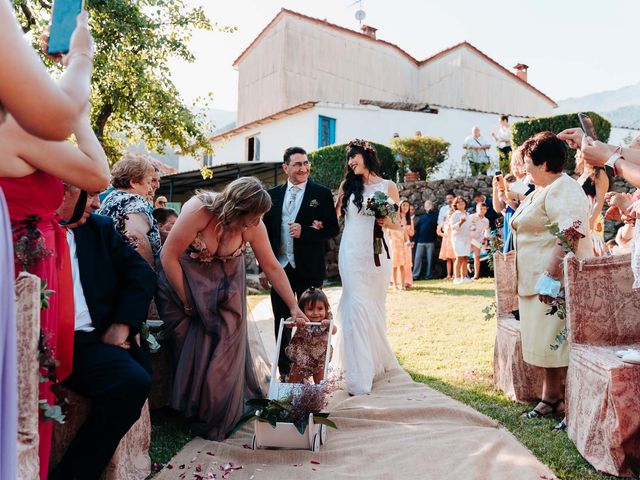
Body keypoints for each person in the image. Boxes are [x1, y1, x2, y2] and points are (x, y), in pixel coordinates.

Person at [0, 10, 97, 479]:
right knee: (22, 387)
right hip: (21, 268)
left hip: (26, 260)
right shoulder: (14, 129)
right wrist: (79, 54)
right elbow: (94, 168)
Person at [157, 177, 309, 440]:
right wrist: (188, 301)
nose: (255, 223)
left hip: (227, 289)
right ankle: (189, 410)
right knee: (189, 346)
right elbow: (167, 256)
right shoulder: (198, 210)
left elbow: (272, 266)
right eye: (251, 216)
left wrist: (294, 306)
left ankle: (217, 413)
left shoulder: (254, 226)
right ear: (235, 208)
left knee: (227, 348)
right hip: (182, 284)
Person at [49, 185, 155, 480]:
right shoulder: (27, 228)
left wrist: (122, 325)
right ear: (64, 190)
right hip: (40, 340)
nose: (98, 204)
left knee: (134, 379)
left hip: (86, 340)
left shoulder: (99, 228)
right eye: (91, 195)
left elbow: (141, 274)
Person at [510, 132, 591, 420]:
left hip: (553, 280)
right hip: (534, 280)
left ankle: (569, 404)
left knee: (559, 343)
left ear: (544, 163)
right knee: (547, 345)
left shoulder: (563, 188)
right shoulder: (542, 189)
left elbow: (571, 229)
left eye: (528, 162)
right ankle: (551, 398)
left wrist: (550, 274)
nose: (525, 168)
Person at [260, 147, 339, 379]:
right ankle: (285, 371)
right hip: (279, 267)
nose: (303, 168)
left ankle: (311, 369)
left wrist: (305, 232)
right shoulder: (271, 195)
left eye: (305, 163)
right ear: (286, 167)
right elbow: (263, 232)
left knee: (313, 320)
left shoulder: (321, 194)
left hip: (309, 267)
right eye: (297, 164)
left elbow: (332, 229)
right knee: (282, 320)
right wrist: (264, 268)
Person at [334, 139, 401, 395]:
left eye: (354, 156)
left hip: (377, 256)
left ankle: (373, 363)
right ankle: (358, 377)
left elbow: (397, 224)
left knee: (374, 308)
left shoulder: (388, 186)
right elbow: (335, 218)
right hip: (351, 253)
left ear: (366, 156)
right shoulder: (347, 187)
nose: (351, 162)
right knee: (355, 309)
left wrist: (385, 218)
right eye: (348, 159)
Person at [98, 153, 161, 266]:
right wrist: (149, 271)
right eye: (148, 182)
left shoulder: (111, 198)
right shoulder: (134, 200)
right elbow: (135, 236)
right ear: (133, 182)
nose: (150, 189)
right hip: (129, 275)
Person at [285, 287, 337, 384]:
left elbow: (334, 330)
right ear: (302, 310)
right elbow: (287, 323)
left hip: (320, 357)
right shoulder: (302, 319)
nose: (316, 313)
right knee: (294, 378)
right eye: (310, 309)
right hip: (301, 356)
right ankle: (292, 394)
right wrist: (295, 321)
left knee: (320, 381)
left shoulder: (327, 320)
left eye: (320, 309)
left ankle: (319, 396)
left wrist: (329, 325)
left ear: (326, 309)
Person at [575, 150, 609, 256]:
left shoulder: (599, 173)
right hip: (580, 219)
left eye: (578, 152)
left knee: (593, 250)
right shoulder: (582, 175)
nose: (576, 155)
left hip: (592, 219)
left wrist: (590, 222)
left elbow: (600, 201)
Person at [390, 198, 414, 290]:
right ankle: (395, 284)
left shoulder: (409, 219)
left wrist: (408, 233)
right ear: (400, 206)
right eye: (403, 205)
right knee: (395, 264)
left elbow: (410, 233)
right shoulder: (395, 217)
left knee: (404, 264)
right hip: (395, 242)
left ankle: (404, 284)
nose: (405, 207)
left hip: (405, 244)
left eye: (407, 205)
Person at [413, 200, 438, 280]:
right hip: (420, 241)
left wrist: (430, 212)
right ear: (424, 207)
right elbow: (418, 229)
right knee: (417, 258)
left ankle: (429, 275)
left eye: (430, 204)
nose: (429, 206)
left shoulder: (435, 215)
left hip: (430, 241)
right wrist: (415, 240)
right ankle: (415, 275)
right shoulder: (422, 217)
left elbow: (435, 222)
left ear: (433, 206)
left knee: (430, 259)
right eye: (427, 205)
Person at [450, 197, 471, 284]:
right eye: (459, 202)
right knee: (459, 257)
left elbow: (470, 225)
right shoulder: (455, 215)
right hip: (457, 238)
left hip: (466, 238)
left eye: (463, 202)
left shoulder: (467, 214)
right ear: (456, 205)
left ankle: (464, 277)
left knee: (466, 257)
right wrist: (460, 222)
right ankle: (456, 278)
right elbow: (453, 227)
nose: (461, 203)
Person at [469, 203, 490, 279]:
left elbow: (487, 230)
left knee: (477, 257)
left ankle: (476, 275)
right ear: (477, 209)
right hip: (468, 239)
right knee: (464, 257)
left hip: (478, 240)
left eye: (484, 209)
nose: (482, 211)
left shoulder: (486, 220)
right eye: (481, 209)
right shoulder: (471, 217)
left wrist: (486, 238)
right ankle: (462, 274)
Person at [437, 207, 456, 279]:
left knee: (454, 258)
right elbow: (444, 234)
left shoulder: (454, 223)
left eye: (451, 214)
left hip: (453, 241)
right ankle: (448, 275)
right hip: (446, 241)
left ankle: (455, 274)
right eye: (449, 214)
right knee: (448, 259)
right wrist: (439, 232)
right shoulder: (445, 224)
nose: (450, 216)